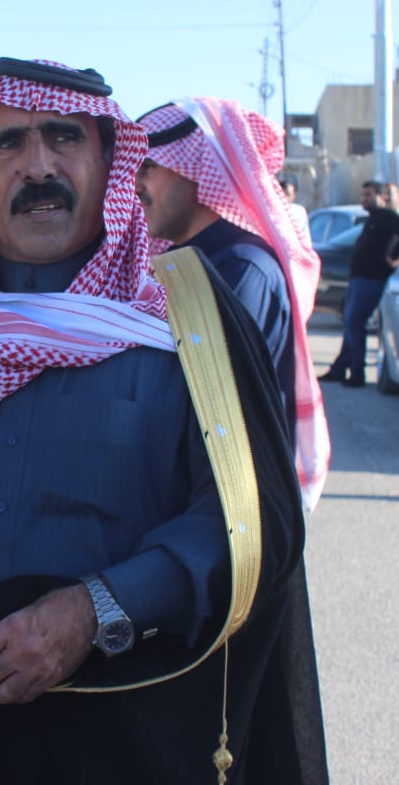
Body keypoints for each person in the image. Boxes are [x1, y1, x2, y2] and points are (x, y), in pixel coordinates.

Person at [0, 57, 325, 784]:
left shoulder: (187, 318)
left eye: (64, 138)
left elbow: (246, 518)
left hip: (123, 734)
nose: (37, 166)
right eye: (7, 143)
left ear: (111, 164)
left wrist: (95, 612)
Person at [135, 98, 330, 509]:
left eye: (148, 167)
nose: (135, 184)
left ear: (196, 167)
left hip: (230, 506)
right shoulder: (189, 259)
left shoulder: (240, 268)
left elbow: (210, 408)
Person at [320, 180, 399, 387]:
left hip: (372, 279)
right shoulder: (373, 218)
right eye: (363, 195)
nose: (365, 199)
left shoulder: (387, 216)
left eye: (369, 195)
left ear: (382, 197)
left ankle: (357, 373)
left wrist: (395, 256)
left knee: (355, 324)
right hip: (358, 278)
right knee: (350, 325)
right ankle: (339, 368)